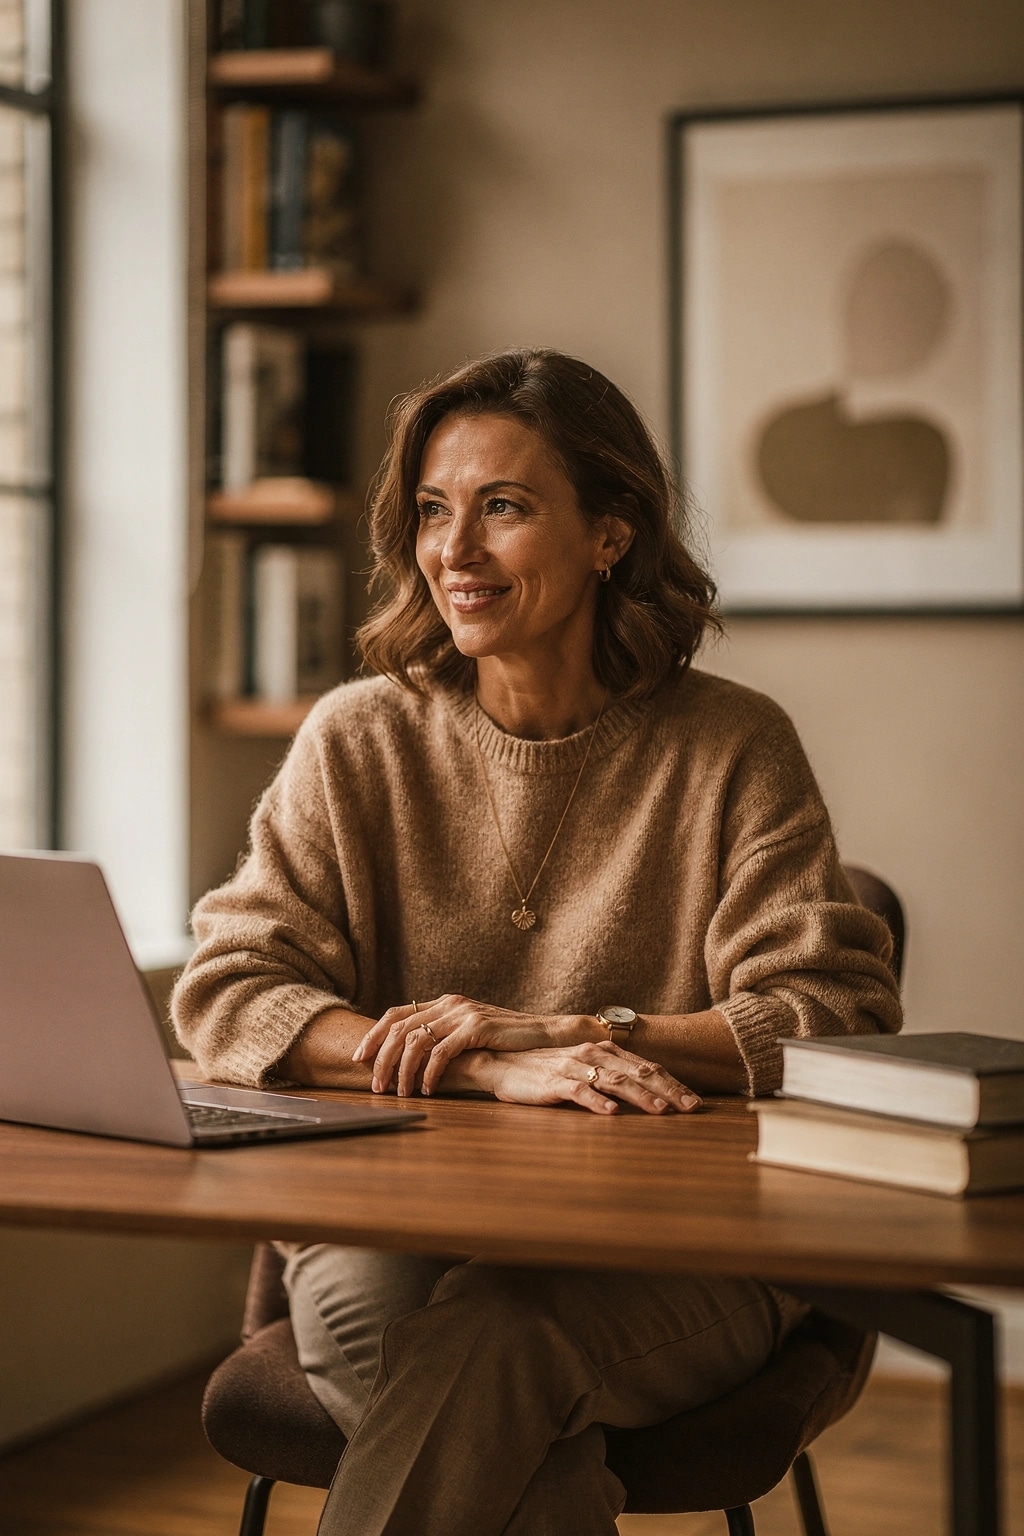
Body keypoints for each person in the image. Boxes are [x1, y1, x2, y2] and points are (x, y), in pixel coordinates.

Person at [172, 348, 902, 1536]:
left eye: (501, 508)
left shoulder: (730, 746)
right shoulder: (359, 739)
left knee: (499, 1341)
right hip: (392, 1223)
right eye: (431, 511)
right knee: (482, 1394)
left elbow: (833, 1015)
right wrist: (479, 1063)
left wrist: (573, 1029)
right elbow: (229, 992)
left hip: (684, 1244)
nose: (453, 552)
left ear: (610, 533)